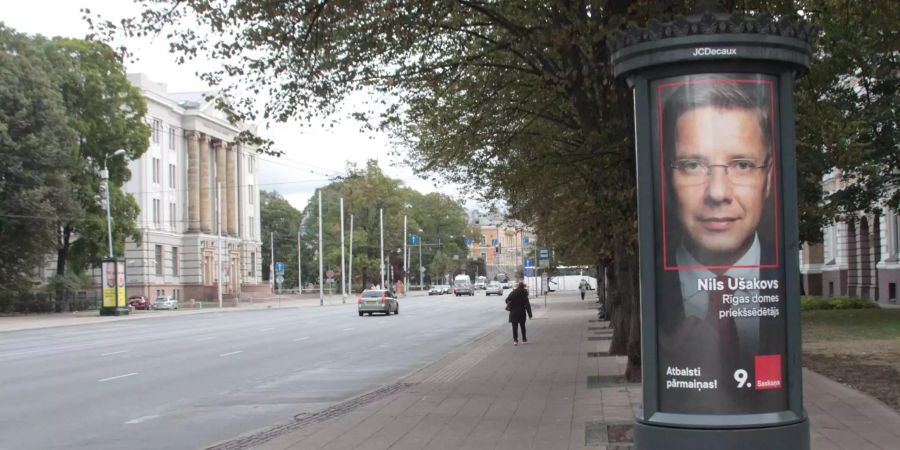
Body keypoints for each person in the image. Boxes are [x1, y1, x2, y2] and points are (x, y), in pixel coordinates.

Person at [657, 76, 785, 414]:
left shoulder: (785, 280)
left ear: (768, 178)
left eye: (741, 165)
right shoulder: (652, 284)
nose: (717, 193)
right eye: (693, 165)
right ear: (669, 178)